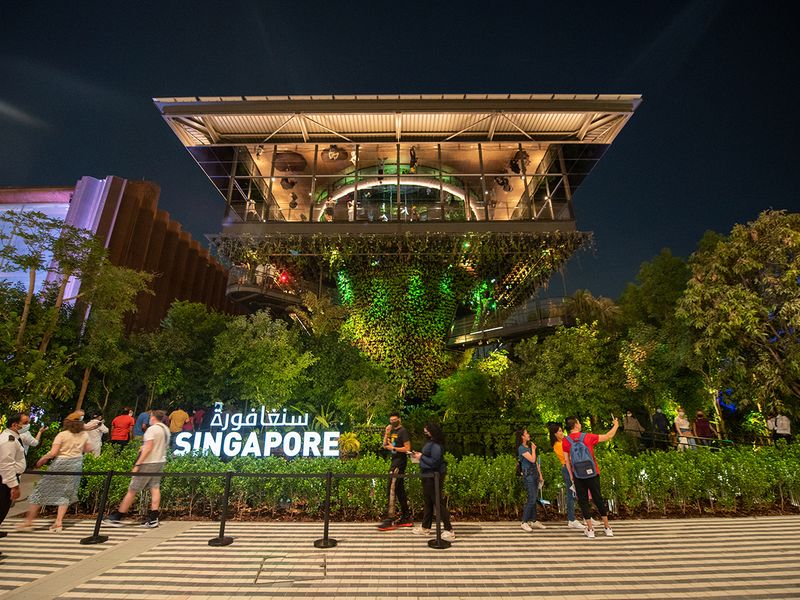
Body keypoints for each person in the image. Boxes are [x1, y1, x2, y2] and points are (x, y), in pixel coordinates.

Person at [18, 412, 91, 533]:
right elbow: (89, 449)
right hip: (76, 464)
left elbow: (53, 453)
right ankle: (58, 523)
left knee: (40, 491)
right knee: (65, 493)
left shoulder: (62, 435)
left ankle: (28, 522)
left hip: (61, 464)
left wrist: (43, 459)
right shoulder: (84, 435)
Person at [104, 410, 171, 529]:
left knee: (133, 489)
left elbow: (148, 447)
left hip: (148, 462)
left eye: (150, 416)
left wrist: (138, 464)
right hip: (160, 461)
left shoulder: (152, 429)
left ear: (153, 417)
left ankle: (118, 516)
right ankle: (154, 518)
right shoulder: (165, 429)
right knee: (155, 487)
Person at [563, 415, 619, 538]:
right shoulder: (588, 437)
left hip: (577, 473)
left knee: (583, 501)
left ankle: (590, 529)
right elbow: (608, 436)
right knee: (597, 498)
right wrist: (616, 425)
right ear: (576, 425)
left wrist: (572, 475)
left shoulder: (566, 440)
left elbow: (567, 460)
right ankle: (607, 527)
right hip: (592, 472)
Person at [411, 422, 455, 541]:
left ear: (432, 432)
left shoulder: (436, 445)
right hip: (427, 475)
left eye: (427, 431)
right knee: (428, 501)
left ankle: (449, 529)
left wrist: (421, 457)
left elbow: (435, 462)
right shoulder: (430, 442)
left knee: (437, 502)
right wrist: (419, 456)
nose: (425, 433)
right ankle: (426, 527)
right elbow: (428, 459)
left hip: (434, 476)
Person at [377, 411, 413, 531]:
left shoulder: (403, 431)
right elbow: (384, 445)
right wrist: (386, 433)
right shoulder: (392, 431)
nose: (392, 422)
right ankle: (406, 517)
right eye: (391, 420)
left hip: (399, 464)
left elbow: (408, 448)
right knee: (399, 490)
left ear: (399, 419)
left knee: (391, 489)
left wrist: (394, 448)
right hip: (394, 462)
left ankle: (390, 519)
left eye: (394, 420)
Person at [548, 422, 585, 530]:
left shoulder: (564, 441)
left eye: (561, 430)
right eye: (559, 431)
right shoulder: (558, 445)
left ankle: (584, 517)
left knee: (579, 493)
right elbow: (568, 458)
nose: (562, 432)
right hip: (568, 469)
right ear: (555, 434)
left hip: (573, 468)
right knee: (571, 494)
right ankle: (572, 519)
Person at [1, 414, 27, 547]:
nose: (26, 425)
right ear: (14, 425)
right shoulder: (8, 440)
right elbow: (6, 464)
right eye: (24, 423)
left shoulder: (14, 438)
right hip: (4, 481)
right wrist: (14, 486)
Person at [517, 428, 545, 531]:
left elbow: (536, 463)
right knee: (532, 499)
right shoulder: (521, 449)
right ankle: (524, 522)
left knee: (534, 498)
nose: (529, 434)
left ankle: (533, 520)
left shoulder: (527, 447)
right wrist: (533, 449)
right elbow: (532, 459)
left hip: (534, 474)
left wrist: (540, 475)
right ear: (522, 437)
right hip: (528, 475)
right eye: (526, 433)